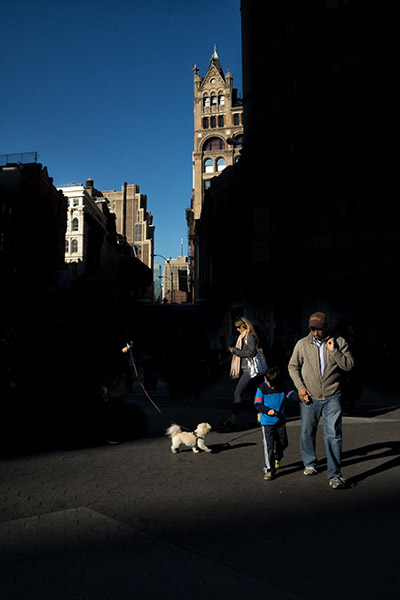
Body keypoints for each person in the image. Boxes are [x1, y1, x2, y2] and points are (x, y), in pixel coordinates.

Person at [288, 311, 354, 489]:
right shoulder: (302, 344)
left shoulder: (339, 342)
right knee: (307, 432)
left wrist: (335, 351)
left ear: (326, 327)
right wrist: (300, 387)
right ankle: (310, 463)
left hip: (333, 395)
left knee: (333, 435)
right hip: (310, 396)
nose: (316, 332)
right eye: (312, 329)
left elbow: (348, 365)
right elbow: (293, 366)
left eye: (319, 329)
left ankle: (335, 475)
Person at [254, 367, 296, 480]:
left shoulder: (282, 385)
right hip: (267, 422)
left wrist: (301, 398)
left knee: (283, 442)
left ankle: (278, 456)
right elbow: (257, 404)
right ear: (265, 378)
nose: (272, 387)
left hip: (280, 421)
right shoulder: (261, 388)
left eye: (274, 385)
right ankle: (269, 469)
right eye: (270, 385)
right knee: (269, 446)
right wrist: (267, 410)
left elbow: (290, 393)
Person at [221, 316, 258, 431]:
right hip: (248, 370)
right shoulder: (244, 337)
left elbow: (251, 352)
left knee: (237, 393)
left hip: (250, 370)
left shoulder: (249, 337)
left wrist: (235, 351)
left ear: (245, 326)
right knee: (254, 395)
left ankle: (232, 420)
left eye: (239, 327)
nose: (237, 329)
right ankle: (260, 420)